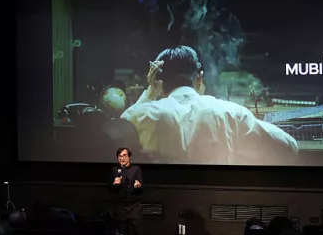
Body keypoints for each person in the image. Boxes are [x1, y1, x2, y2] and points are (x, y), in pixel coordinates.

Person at [121, 45, 299, 165]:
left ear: (157, 81)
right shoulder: (231, 113)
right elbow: (289, 146)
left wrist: (150, 93)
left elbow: (119, 130)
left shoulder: (143, 115)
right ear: (200, 77)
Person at [110, 147, 144, 235]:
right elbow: (109, 189)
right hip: (120, 207)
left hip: (134, 207)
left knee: (139, 233)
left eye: (124, 155)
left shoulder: (136, 169)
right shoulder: (114, 170)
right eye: (120, 156)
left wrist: (138, 186)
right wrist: (114, 184)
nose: (122, 158)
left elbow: (143, 189)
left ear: (129, 157)